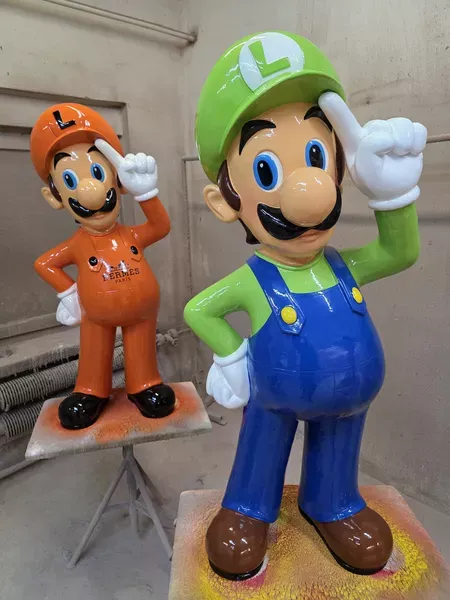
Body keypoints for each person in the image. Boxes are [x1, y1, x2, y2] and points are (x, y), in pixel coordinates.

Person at [184, 31, 427, 579]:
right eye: (267, 171)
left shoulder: (343, 264)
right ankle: (248, 507)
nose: (311, 191)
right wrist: (231, 355)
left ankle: (333, 502)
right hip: (275, 398)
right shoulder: (256, 278)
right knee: (263, 443)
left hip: (350, 404)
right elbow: (200, 309)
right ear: (225, 202)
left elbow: (400, 251)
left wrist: (393, 196)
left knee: (339, 451)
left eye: (316, 156)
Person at [31, 103, 175, 430]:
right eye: (70, 179)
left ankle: (144, 384)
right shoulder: (78, 244)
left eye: (97, 172)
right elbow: (45, 264)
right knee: (95, 350)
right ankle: (91, 390)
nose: (91, 191)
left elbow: (161, 226)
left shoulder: (131, 235)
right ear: (54, 196)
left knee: (141, 347)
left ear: (117, 178)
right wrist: (69, 293)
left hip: (142, 312)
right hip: (96, 316)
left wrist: (147, 194)